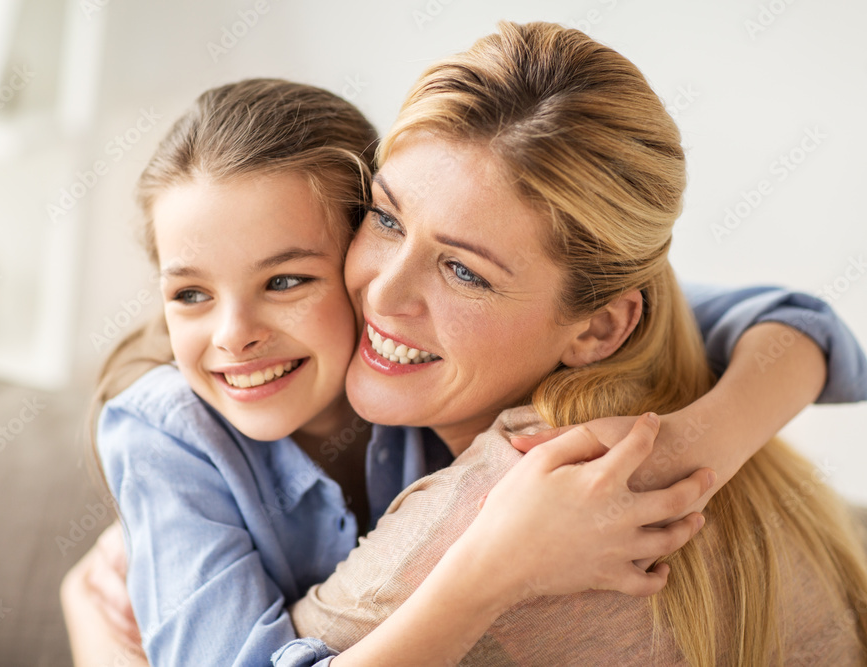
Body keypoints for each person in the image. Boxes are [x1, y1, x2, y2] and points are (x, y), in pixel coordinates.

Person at [61, 29, 867, 666]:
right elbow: (779, 323)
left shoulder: (527, 478)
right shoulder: (192, 424)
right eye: (387, 219)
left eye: (463, 270)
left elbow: (795, 322)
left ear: (598, 329)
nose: (383, 294)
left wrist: (689, 451)